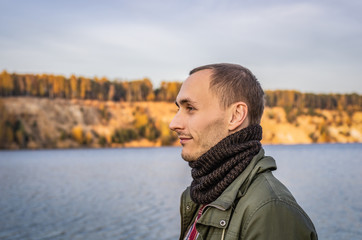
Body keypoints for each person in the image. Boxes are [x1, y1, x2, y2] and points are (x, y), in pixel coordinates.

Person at [169, 63, 318, 240]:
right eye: (178, 108)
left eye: (190, 108)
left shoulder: (270, 210)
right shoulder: (202, 194)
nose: (174, 124)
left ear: (236, 116)